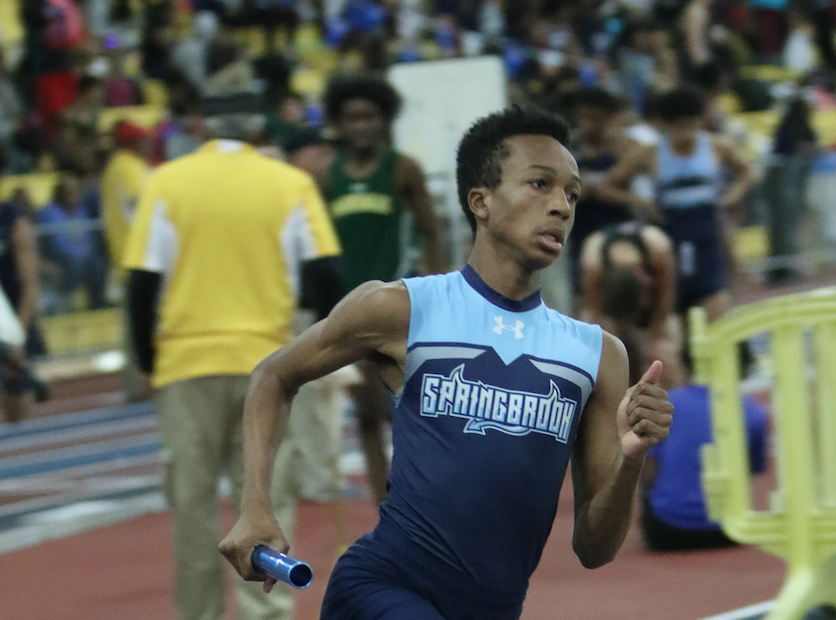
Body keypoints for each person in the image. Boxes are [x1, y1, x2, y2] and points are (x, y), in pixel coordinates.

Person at [219, 106, 674, 620]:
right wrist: (256, 505)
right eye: (539, 185)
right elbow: (273, 375)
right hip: (382, 589)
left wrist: (631, 456)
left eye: (571, 193)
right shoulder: (402, 309)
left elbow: (595, 549)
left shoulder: (597, 354)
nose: (561, 207)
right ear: (480, 201)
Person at [123, 91, 343, 620]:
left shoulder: (165, 183)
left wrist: (150, 361)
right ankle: (264, 612)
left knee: (193, 511)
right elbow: (327, 276)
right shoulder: (291, 185)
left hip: (185, 364)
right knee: (265, 503)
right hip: (267, 366)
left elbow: (141, 282)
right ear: (258, 131)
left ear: (199, 127)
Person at [318, 75, 446, 504]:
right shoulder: (324, 177)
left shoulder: (403, 168)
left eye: (370, 117)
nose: (361, 126)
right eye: (351, 118)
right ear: (338, 123)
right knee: (368, 415)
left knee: (410, 411)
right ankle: (385, 509)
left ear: (384, 120)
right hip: (347, 312)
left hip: (399, 306)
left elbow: (431, 231)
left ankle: (424, 499)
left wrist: (442, 288)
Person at [599, 86, 753, 324]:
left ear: (700, 121)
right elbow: (607, 186)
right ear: (665, 125)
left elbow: (747, 170)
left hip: (707, 233)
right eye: (679, 127)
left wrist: (732, 195)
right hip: (670, 234)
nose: (686, 134)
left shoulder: (716, 145)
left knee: (718, 311)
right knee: (677, 316)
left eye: (691, 125)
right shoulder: (650, 153)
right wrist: (641, 202)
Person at [641, 344, 768, 552]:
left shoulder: (670, 404)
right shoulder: (754, 414)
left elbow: (648, 471)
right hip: (728, 530)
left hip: (666, 530)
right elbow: (750, 471)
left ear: (687, 364)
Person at [578, 221, 681, 387]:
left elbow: (665, 304)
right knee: (597, 352)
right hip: (612, 310)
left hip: (656, 309)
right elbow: (595, 313)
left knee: (664, 352)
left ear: (645, 277)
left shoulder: (658, 248)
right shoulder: (593, 262)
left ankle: (673, 400)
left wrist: (655, 339)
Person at [568, 87, 634, 316]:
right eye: (583, 118)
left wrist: (595, 187)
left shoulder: (624, 147)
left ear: (607, 119)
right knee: (584, 309)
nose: (587, 125)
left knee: (622, 306)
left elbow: (623, 185)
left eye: (594, 119)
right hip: (581, 238)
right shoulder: (569, 148)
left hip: (618, 236)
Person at [101, 120, 151, 402]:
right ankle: (140, 386)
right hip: (138, 256)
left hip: (125, 256)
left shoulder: (113, 168)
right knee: (140, 327)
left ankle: (136, 386)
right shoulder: (128, 167)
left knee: (133, 327)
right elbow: (142, 205)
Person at [37, 174, 108, 313]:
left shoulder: (81, 211)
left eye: (75, 190)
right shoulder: (50, 212)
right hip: (59, 258)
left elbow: (88, 239)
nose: (73, 195)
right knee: (74, 265)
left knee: (99, 264)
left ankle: (97, 307)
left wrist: (84, 255)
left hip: (82, 257)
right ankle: (68, 311)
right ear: (60, 192)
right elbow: (57, 243)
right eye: (69, 191)